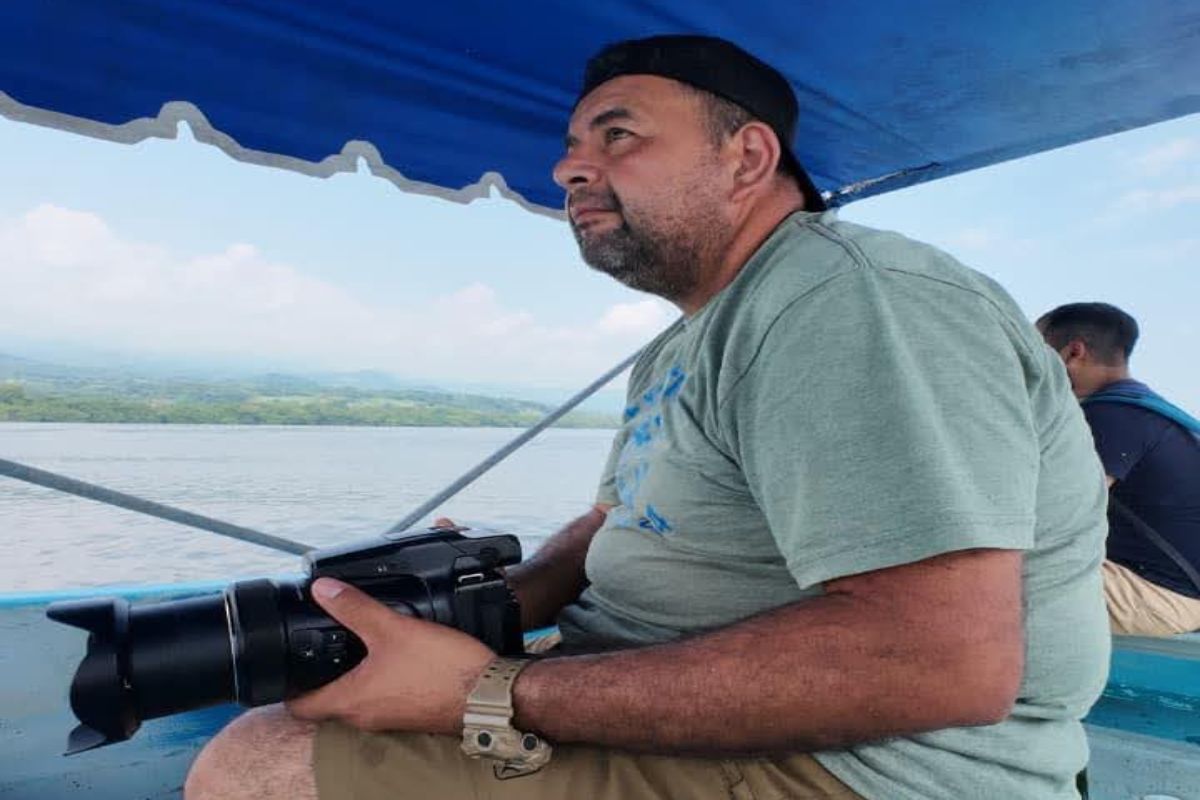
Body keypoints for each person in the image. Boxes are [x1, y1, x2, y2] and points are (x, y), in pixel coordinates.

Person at [185, 35, 1110, 800]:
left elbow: (938, 661)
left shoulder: (848, 301)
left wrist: (489, 690)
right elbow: (616, 518)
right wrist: (488, 605)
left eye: (617, 135)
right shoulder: (686, 341)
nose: (568, 167)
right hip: (666, 688)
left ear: (747, 158)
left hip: (865, 768)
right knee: (304, 694)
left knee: (259, 767)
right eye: (572, 144)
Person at [1038, 302, 1200, 636]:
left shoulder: (1111, 418)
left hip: (1157, 596)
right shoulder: (1150, 412)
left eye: (1036, 351)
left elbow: (1054, 511)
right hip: (1177, 591)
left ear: (1073, 353)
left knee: (964, 577)